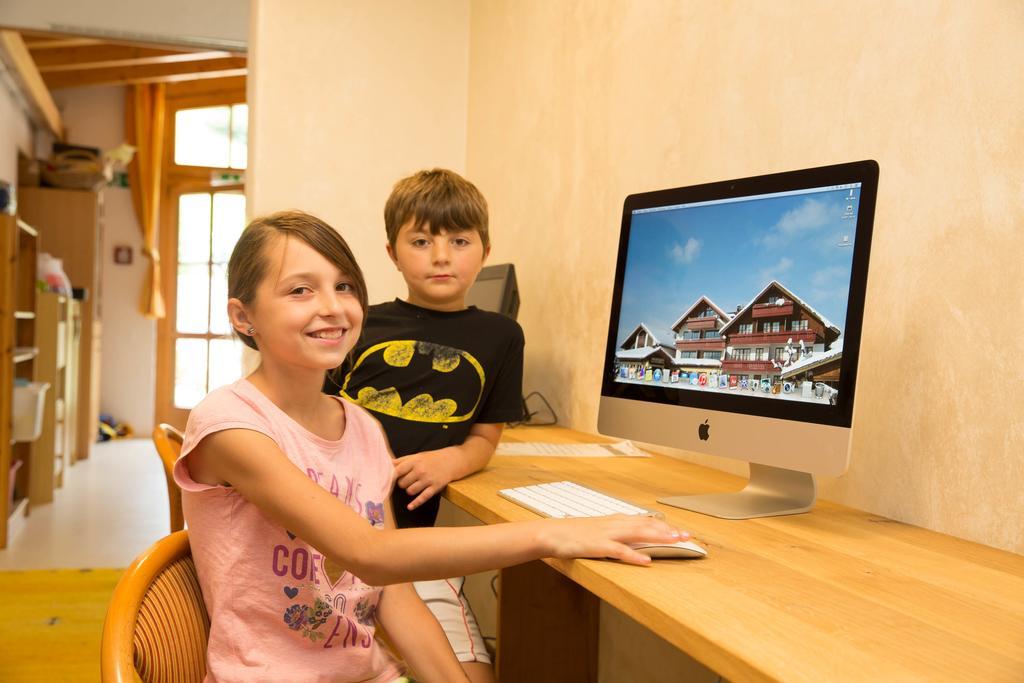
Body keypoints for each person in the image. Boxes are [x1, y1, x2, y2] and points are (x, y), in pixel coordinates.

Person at [174, 210, 687, 683]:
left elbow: (391, 590)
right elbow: (369, 554)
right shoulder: (231, 425)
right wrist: (551, 535)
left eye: (345, 286)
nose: (332, 307)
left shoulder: (362, 427)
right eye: (300, 291)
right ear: (244, 317)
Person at [324, 169, 518, 682]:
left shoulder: (501, 336)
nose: (441, 255)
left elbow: (485, 436)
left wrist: (450, 460)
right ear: (392, 252)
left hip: (410, 551)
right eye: (421, 240)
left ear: (485, 248)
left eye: (459, 240)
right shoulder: (358, 321)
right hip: (330, 539)